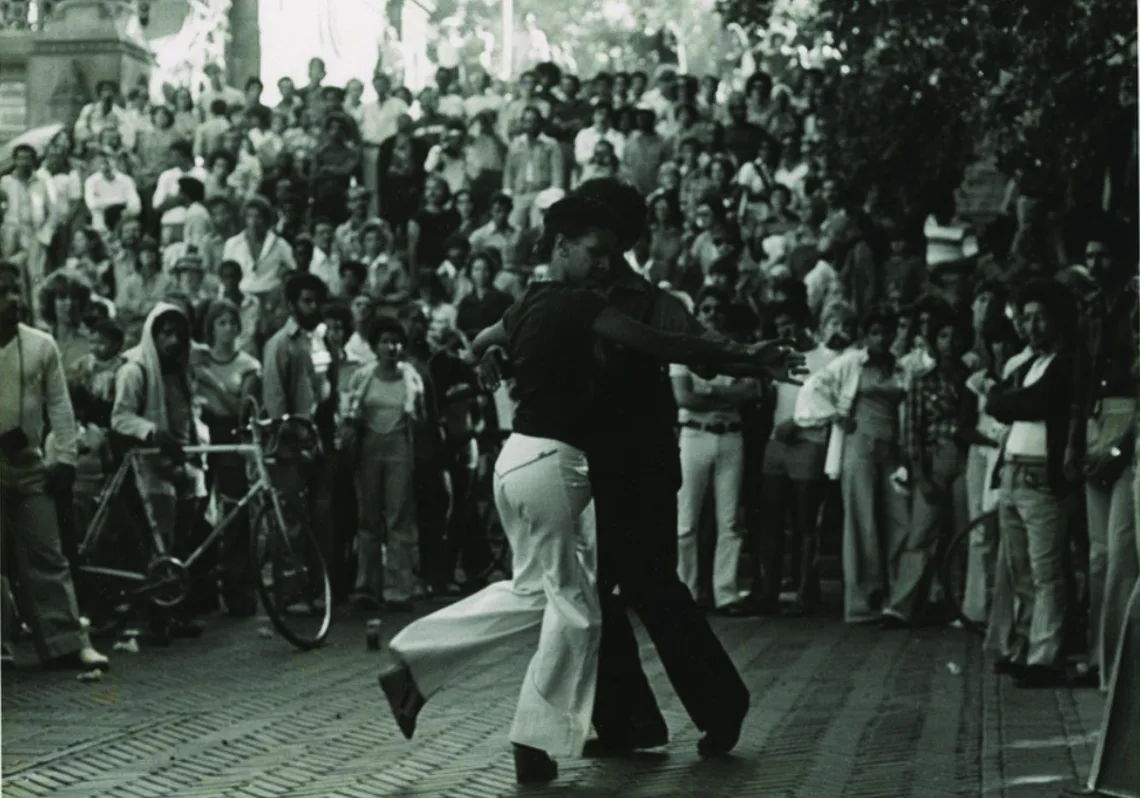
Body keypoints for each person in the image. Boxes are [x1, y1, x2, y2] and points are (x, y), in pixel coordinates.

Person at [377, 196, 790, 784]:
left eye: (610, 247)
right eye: (595, 247)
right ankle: (577, 733)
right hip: (567, 468)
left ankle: (706, 710)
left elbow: (681, 344)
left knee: (603, 593)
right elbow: (497, 339)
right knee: (582, 605)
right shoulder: (569, 300)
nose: (604, 259)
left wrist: (747, 357)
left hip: (602, 467)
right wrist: (495, 352)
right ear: (568, 245)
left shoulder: (623, 301)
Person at [0, 262, 110, 673]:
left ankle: (66, 642)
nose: (12, 299)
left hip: (28, 463)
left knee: (47, 553)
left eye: (15, 290)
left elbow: (60, 406)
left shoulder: (41, 345)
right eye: (2, 291)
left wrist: (64, 458)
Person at [110, 302, 208, 644]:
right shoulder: (135, 369)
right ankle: (157, 616)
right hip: (150, 464)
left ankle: (175, 610)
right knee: (161, 543)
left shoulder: (181, 370)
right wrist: (152, 432)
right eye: (165, 333)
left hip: (183, 462)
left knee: (182, 543)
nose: (173, 340)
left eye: (178, 333)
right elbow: (120, 416)